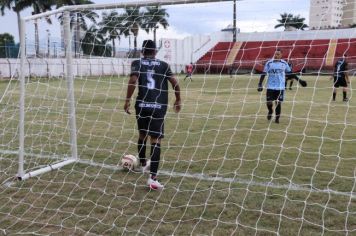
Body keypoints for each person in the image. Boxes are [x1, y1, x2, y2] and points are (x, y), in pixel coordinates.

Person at [124, 40, 181, 190]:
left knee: (142, 135)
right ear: (155, 52)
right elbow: (174, 82)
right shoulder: (163, 65)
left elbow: (133, 80)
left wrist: (127, 100)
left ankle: (143, 164)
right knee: (155, 140)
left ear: (142, 52)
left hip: (142, 105)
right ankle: (153, 178)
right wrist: (178, 99)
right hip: (158, 107)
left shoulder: (137, 62)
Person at [258, 49, 291, 124]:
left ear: (281, 55)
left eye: (278, 54)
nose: (276, 55)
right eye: (275, 54)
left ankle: (277, 118)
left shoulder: (284, 63)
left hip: (280, 87)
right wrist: (260, 83)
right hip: (270, 86)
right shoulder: (269, 63)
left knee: (278, 103)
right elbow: (263, 73)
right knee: (269, 102)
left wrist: (286, 79)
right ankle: (270, 110)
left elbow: (289, 73)